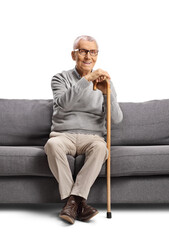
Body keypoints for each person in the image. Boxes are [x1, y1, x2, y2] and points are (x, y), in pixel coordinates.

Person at [44, 35, 123, 224]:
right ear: (73, 55)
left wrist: (107, 93)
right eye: (83, 51)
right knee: (52, 145)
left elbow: (117, 120)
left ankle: (72, 203)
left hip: (92, 137)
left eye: (93, 52)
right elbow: (63, 103)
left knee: (101, 149)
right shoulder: (60, 78)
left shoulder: (105, 82)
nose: (88, 56)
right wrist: (87, 79)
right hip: (63, 135)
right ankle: (80, 204)